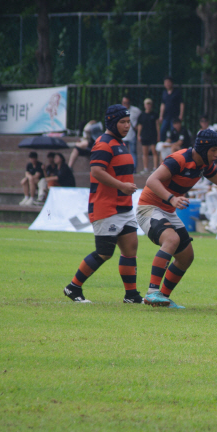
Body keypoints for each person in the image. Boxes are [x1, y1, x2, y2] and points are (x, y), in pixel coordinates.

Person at [136, 129, 217, 308]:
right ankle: (151, 292)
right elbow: (151, 180)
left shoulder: (204, 164)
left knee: (186, 257)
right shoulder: (179, 159)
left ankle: (162, 298)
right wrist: (172, 198)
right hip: (149, 208)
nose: (216, 155)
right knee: (172, 239)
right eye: (213, 151)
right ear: (202, 148)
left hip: (167, 210)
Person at [63, 105, 142, 304]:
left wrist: (124, 189)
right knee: (104, 252)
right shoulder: (103, 143)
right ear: (111, 122)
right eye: (122, 122)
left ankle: (131, 295)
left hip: (123, 207)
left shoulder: (120, 143)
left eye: (128, 122)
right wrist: (122, 186)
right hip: (105, 207)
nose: (126, 126)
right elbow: (96, 171)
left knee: (130, 248)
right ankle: (73, 287)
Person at [137, 98, 160, 174]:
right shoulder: (142, 115)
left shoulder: (155, 114)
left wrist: (158, 135)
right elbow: (140, 126)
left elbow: (157, 125)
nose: (148, 105)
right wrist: (139, 134)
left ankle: (155, 167)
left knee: (154, 151)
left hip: (153, 135)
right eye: (147, 104)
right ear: (144, 105)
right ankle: (145, 168)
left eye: (149, 104)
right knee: (145, 152)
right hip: (145, 135)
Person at [159, 76, 184, 142]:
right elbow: (163, 104)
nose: (167, 84)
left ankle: (173, 145)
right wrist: (161, 115)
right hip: (166, 116)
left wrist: (181, 115)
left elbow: (181, 103)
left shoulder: (177, 92)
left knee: (174, 131)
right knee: (162, 130)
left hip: (174, 116)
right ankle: (162, 144)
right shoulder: (164, 93)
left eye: (168, 82)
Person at [121, 96, 141, 167]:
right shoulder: (119, 111)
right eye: (124, 103)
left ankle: (134, 168)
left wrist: (137, 126)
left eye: (127, 103)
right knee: (123, 153)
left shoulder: (136, 110)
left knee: (133, 152)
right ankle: (125, 167)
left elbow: (141, 118)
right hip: (123, 136)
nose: (126, 104)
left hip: (132, 134)